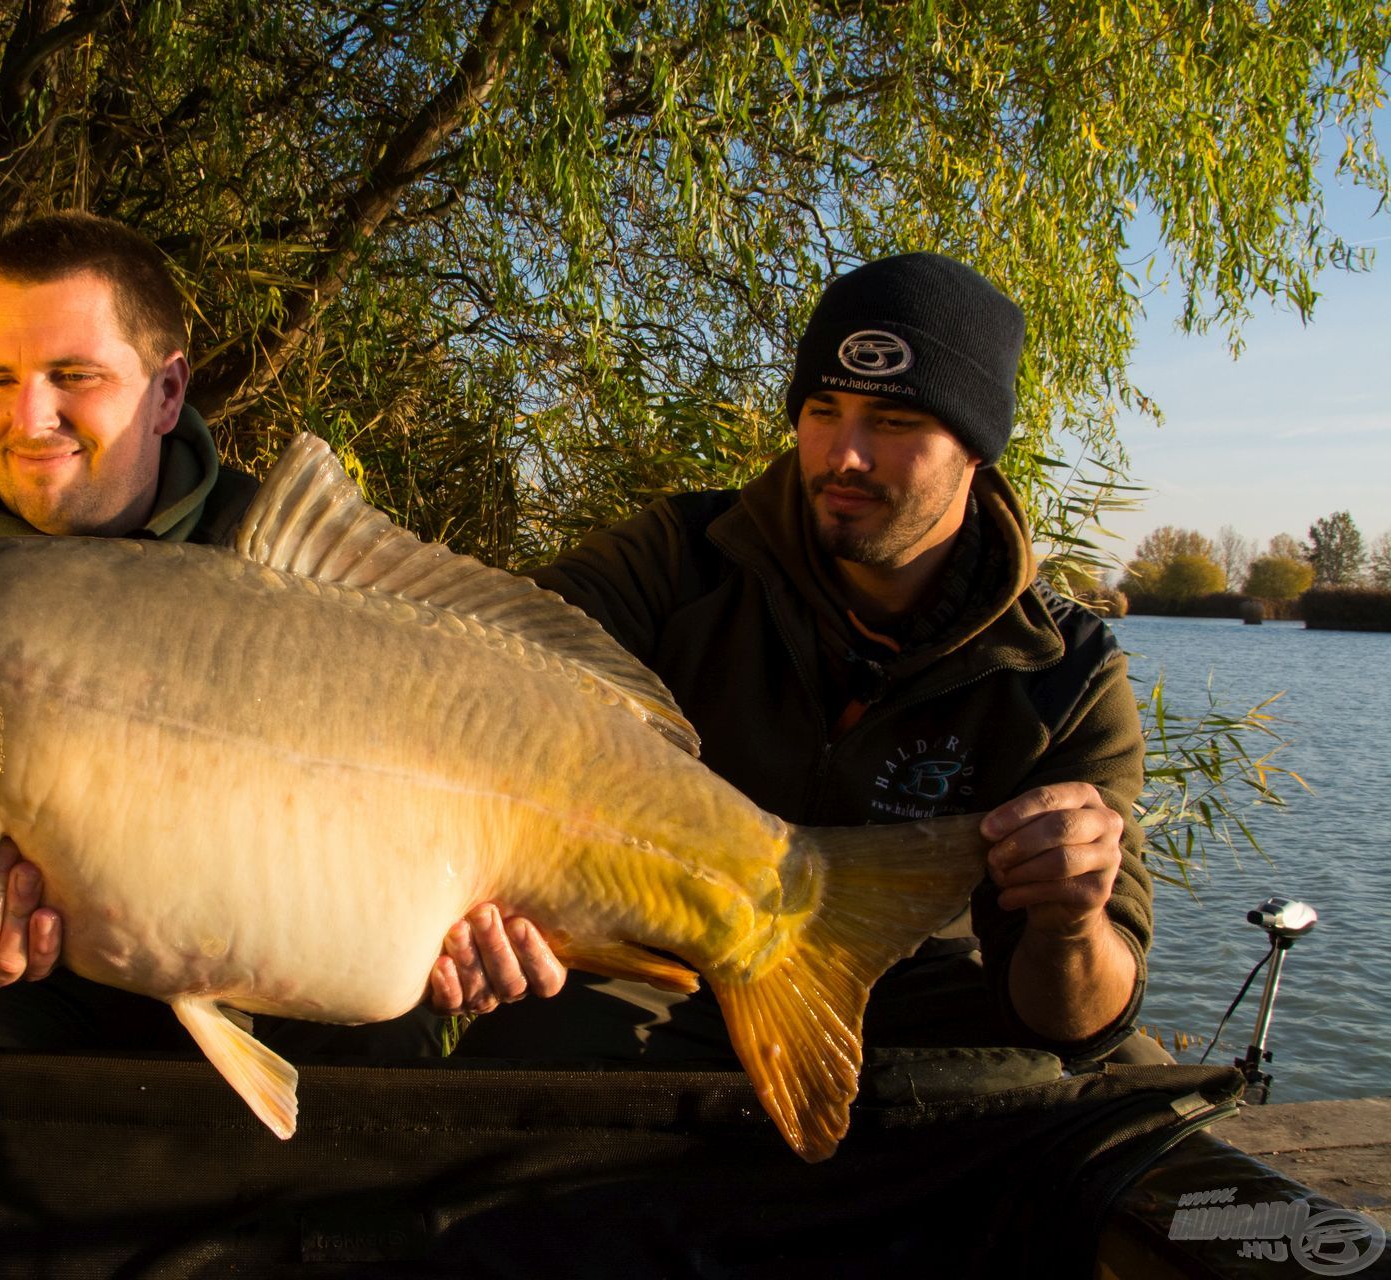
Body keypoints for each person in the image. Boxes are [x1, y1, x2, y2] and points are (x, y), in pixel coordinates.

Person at [0, 211, 561, 1052]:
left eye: (73, 375)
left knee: (388, 1043)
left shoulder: (284, 577)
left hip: (287, 1012)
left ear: (168, 393)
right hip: (46, 1023)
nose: (28, 419)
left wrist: (451, 954)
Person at [455, 251, 1157, 1062]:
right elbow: (482, 667)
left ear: (976, 448)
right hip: (668, 973)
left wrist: (1071, 922)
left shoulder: (1064, 669)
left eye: (893, 424)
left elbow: (1081, 1020)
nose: (843, 455)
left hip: (920, 1000)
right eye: (824, 410)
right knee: (524, 1038)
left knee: (1124, 1076)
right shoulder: (680, 559)